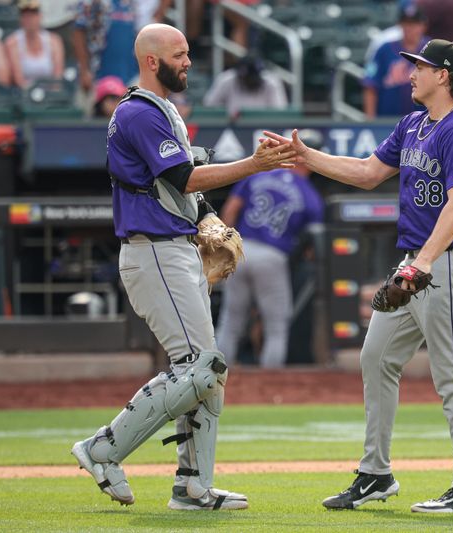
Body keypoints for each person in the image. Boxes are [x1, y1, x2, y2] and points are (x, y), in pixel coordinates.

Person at [70, 23, 295, 511]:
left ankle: (193, 486)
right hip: (153, 251)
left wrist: (209, 219)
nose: (188, 61)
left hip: (173, 247)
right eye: (180, 54)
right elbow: (183, 175)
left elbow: (181, 190)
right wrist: (253, 165)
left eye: (188, 52)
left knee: (207, 370)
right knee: (201, 366)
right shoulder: (137, 112)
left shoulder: (165, 109)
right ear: (153, 61)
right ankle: (102, 449)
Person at [265, 38, 453, 514]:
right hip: (419, 261)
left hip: (451, 259)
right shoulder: (413, 123)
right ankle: (376, 473)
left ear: (444, 76)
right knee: (376, 358)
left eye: (420, 66)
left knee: (452, 375)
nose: (410, 72)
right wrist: (306, 156)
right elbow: (368, 172)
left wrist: (424, 261)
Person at [215, 131, 325, 368]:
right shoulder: (310, 195)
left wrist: (226, 247)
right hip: (273, 257)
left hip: (242, 252)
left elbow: (231, 210)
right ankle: (270, 383)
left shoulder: (258, 175)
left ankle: (214, 378)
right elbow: (313, 246)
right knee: (276, 326)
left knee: (230, 321)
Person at [363, 4, 429, 118]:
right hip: (388, 124)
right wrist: (371, 122)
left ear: (423, 25)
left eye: (414, 23)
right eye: (406, 23)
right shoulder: (384, 49)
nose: (410, 28)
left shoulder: (433, 49)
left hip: (424, 124)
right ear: (400, 25)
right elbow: (370, 86)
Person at [73, 0, 138, 95]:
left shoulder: (131, 3)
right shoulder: (89, 3)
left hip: (129, 74)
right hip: (98, 75)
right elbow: (78, 34)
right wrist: (84, 70)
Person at [202, 54, 287, 118]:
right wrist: (226, 115)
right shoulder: (227, 79)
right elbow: (208, 106)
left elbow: (280, 113)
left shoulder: (271, 82)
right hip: (232, 127)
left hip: (264, 128)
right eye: (247, 78)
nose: (250, 80)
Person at [5, 0, 65, 89]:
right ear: (20, 19)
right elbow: (18, 79)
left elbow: (57, 77)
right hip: (23, 95)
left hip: (50, 95)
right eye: (25, 16)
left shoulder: (54, 41)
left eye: (33, 15)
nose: (29, 19)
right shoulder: (12, 43)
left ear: (40, 16)